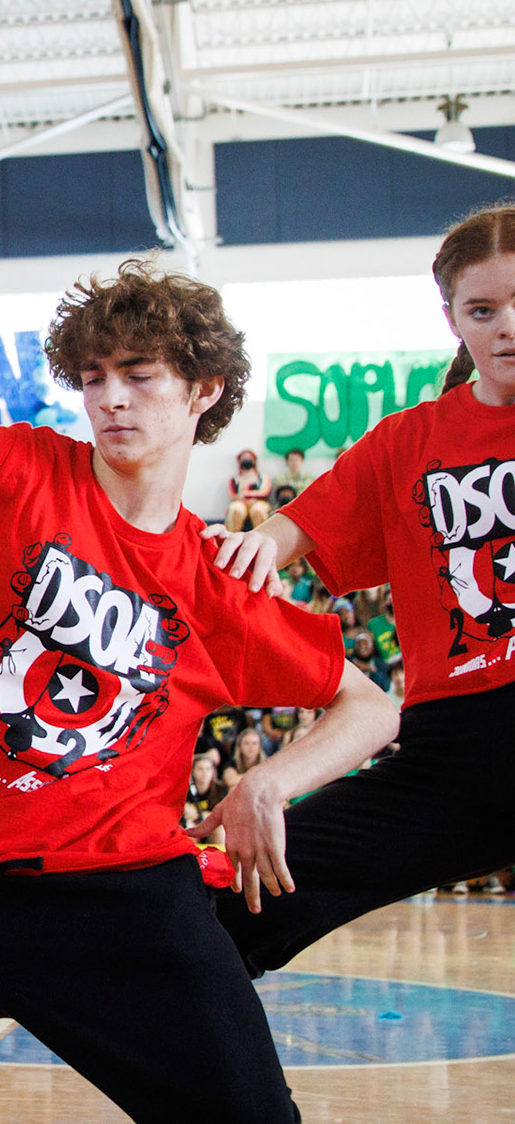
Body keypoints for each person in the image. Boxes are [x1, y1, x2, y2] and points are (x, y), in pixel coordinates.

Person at [0, 260, 400, 1123]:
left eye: (139, 376)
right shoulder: (14, 471)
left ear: (204, 390)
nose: (111, 399)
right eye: (94, 378)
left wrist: (267, 783)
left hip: (123, 907)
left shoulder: (216, 582)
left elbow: (372, 706)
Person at [203, 204, 515, 974]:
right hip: (457, 751)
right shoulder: (407, 441)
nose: (507, 327)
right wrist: (248, 547)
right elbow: (292, 530)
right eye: (483, 310)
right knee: (240, 902)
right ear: (453, 320)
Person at [224, 448, 272, 531]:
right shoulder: (234, 480)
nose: (246, 459)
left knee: (258, 510)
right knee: (236, 509)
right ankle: (233, 535)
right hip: (240, 503)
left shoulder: (262, 478)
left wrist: (245, 494)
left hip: (258, 502)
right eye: (244, 458)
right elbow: (232, 496)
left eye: (249, 457)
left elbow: (265, 492)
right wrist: (243, 498)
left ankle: (260, 535)